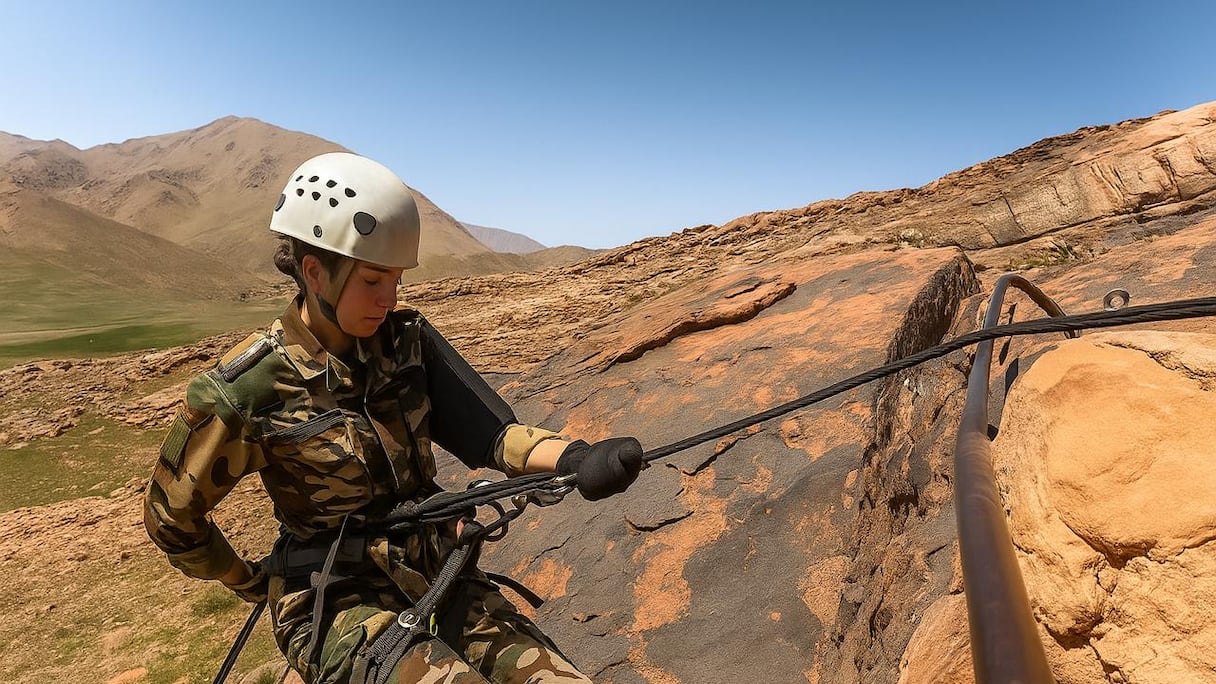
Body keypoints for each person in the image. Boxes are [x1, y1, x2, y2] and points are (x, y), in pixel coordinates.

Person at [142, 152, 644, 683]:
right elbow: (171, 516)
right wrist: (248, 578)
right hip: (335, 606)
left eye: (397, 280)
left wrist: (577, 456)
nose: (391, 298)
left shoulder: (408, 342)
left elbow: (495, 436)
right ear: (315, 273)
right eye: (374, 280)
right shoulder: (247, 387)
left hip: (438, 572)